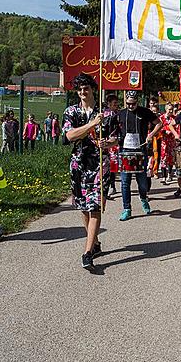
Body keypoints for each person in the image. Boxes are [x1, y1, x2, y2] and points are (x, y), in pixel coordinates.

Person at [62, 73, 119, 272]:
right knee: (83, 208)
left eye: (86, 88)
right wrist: (91, 125)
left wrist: (108, 143)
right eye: (79, 89)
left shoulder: (108, 113)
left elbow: (116, 139)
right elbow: (69, 135)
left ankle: (87, 253)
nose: (83, 92)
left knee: (95, 206)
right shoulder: (71, 112)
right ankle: (94, 241)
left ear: (93, 89)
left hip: (99, 164)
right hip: (78, 164)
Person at [117, 91, 162, 220]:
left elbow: (159, 123)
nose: (130, 106)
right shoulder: (121, 113)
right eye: (128, 104)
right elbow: (114, 129)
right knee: (125, 182)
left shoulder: (145, 112)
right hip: (125, 151)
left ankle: (143, 198)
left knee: (142, 182)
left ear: (137, 102)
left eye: (133, 104)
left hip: (140, 151)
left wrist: (151, 135)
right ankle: (127, 209)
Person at [106, 94, 120, 197]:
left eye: (117, 103)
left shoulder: (119, 114)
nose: (116, 105)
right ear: (109, 104)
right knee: (106, 166)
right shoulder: (104, 114)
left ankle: (112, 186)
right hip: (106, 143)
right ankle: (107, 186)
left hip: (115, 143)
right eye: (114, 103)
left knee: (113, 166)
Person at [159, 102, 177, 184]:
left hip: (172, 141)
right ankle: (163, 176)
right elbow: (158, 128)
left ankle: (170, 174)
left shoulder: (174, 118)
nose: (171, 111)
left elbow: (177, 128)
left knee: (171, 158)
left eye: (172, 109)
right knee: (163, 158)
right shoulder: (161, 118)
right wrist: (164, 131)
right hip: (164, 141)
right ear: (166, 109)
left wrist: (173, 133)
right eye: (169, 109)